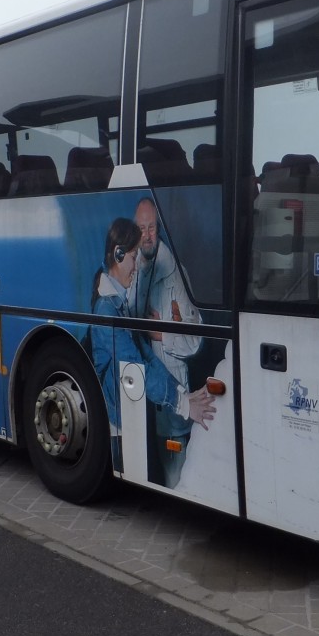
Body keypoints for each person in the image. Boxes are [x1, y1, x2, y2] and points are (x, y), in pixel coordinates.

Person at [89, 217, 215, 474]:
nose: (136, 266)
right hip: (116, 423)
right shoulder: (107, 309)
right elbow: (137, 368)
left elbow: (145, 355)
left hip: (127, 415)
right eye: (134, 257)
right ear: (119, 253)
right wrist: (184, 405)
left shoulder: (117, 301)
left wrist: (183, 393)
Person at [129, 197, 208, 487]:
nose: (147, 235)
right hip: (139, 393)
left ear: (159, 229)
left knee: (174, 478)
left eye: (151, 228)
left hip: (170, 397)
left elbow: (195, 343)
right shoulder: (131, 269)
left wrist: (162, 334)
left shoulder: (177, 274)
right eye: (141, 228)